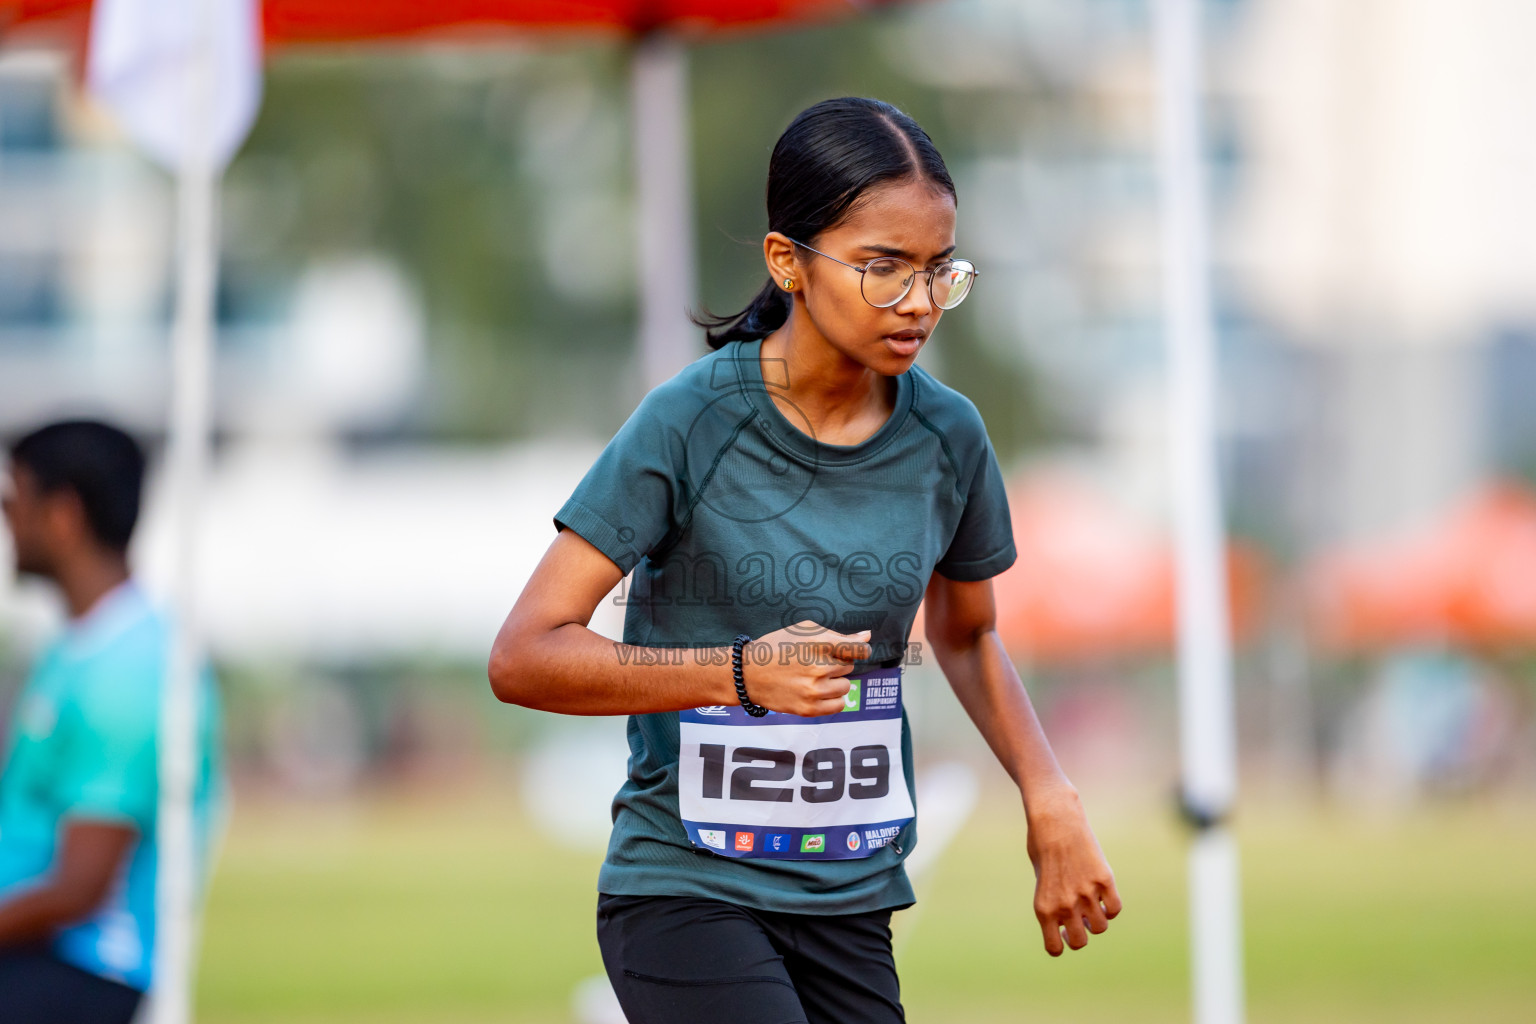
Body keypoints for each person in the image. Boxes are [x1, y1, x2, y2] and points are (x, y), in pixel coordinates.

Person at [488, 97, 1121, 1023]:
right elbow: (525, 654)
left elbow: (970, 634)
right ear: (788, 261)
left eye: (939, 271)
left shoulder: (949, 436)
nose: (918, 303)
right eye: (881, 269)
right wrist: (741, 675)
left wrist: (1048, 795)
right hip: (686, 889)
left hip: (853, 898)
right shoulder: (690, 421)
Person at [0, 420, 224, 1023]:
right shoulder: (80, 647)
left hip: (88, 971)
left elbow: (80, 889)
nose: (6, 520)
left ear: (63, 513)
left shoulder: (130, 669)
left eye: (13, 498)